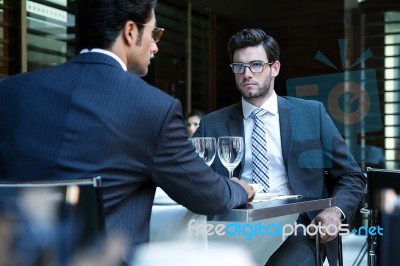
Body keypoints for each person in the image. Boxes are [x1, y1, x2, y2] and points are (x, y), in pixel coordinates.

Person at [0, 0, 255, 264]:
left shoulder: (10, 92)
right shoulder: (153, 108)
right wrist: (239, 188)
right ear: (131, 32)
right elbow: (208, 196)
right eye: (154, 33)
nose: (156, 45)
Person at [193, 28, 366, 266]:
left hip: (298, 225)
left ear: (274, 68)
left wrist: (335, 212)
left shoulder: (311, 114)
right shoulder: (212, 124)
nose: (247, 74)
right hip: (230, 224)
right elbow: (193, 177)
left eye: (256, 65)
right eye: (239, 66)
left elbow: (352, 175)